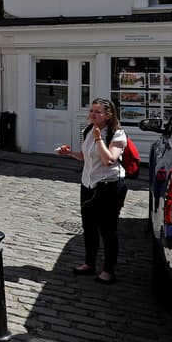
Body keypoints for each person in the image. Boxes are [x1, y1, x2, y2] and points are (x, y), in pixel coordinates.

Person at [56, 97, 128, 284]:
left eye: (97, 112)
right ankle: (89, 264)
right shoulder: (88, 130)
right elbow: (86, 157)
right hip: (88, 184)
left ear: (108, 115)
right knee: (89, 226)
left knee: (107, 229)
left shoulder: (117, 134)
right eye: (91, 111)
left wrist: (98, 138)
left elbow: (109, 160)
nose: (92, 115)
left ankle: (109, 270)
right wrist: (70, 153)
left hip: (109, 186)